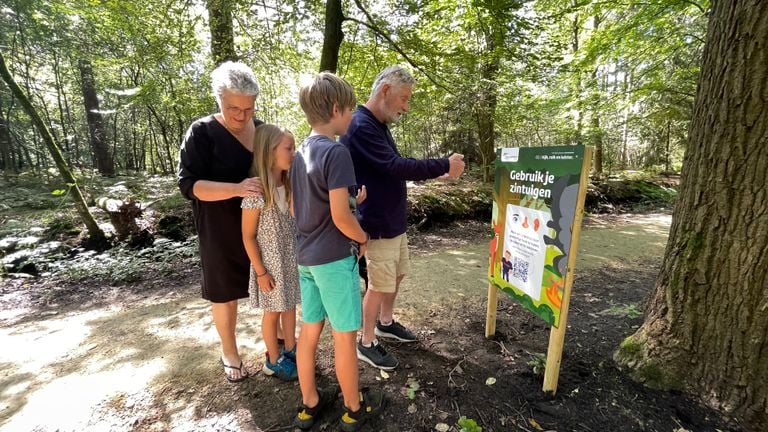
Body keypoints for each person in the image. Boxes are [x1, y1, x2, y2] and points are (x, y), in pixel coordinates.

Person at [340, 65, 465, 370]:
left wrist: (438, 174)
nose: (406, 107)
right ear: (384, 91)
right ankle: (366, 342)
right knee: (379, 283)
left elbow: (391, 169)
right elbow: (396, 166)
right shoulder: (360, 125)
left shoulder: (377, 124)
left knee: (397, 274)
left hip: (393, 221)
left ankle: (385, 322)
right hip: (376, 223)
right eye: (404, 98)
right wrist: (442, 164)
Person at [291, 72, 385, 432]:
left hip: (306, 259)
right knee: (345, 337)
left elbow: (299, 210)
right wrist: (362, 237)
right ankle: (353, 408)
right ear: (335, 108)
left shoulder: (300, 153)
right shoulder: (337, 151)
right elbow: (340, 216)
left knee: (310, 331)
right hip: (333, 259)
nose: (352, 118)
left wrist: (346, 202)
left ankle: (310, 404)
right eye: (349, 110)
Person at [178, 61, 263, 383]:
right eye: (233, 109)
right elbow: (190, 186)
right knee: (225, 293)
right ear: (218, 101)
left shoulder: (263, 129)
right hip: (219, 229)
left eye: (248, 108)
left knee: (274, 282)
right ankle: (230, 352)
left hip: (261, 227)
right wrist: (237, 189)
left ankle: (279, 344)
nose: (242, 116)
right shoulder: (202, 133)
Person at [241, 124, 300, 381]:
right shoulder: (256, 193)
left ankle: (291, 348)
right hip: (270, 267)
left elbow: (296, 218)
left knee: (289, 308)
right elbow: (248, 236)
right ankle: (273, 359)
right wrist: (261, 271)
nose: (294, 152)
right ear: (269, 152)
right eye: (289, 148)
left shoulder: (287, 185)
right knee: (273, 312)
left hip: (289, 260)